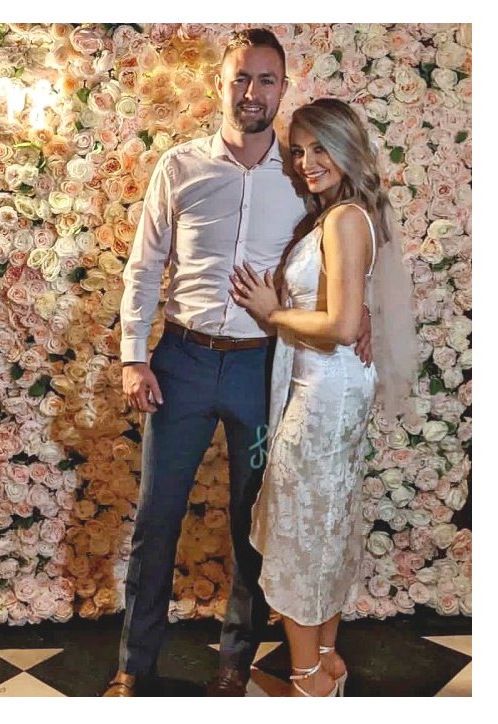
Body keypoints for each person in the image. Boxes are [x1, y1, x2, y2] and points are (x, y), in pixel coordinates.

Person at [108, 27, 308, 698]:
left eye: (266, 80)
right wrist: (135, 358)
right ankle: (136, 667)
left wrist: (353, 315)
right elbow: (145, 267)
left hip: (262, 368)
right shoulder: (180, 166)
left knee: (253, 521)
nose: (252, 92)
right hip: (183, 363)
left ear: (284, 87)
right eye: (241, 79)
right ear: (220, 85)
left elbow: (328, 263)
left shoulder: (302, 173)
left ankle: (234, 663)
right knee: (156, 518)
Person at [224, 97, 419, 698]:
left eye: (319, 148)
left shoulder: (341, 220)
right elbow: (348, 315)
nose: (307, 162)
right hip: (330, 386)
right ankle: (328, 661)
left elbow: (336, 326)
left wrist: (271, 311)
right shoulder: (345, 215)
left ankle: (307, 681)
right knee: (322, 519)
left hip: (325, 391)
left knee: (303, 526)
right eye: (299, 151)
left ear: (347, 146)